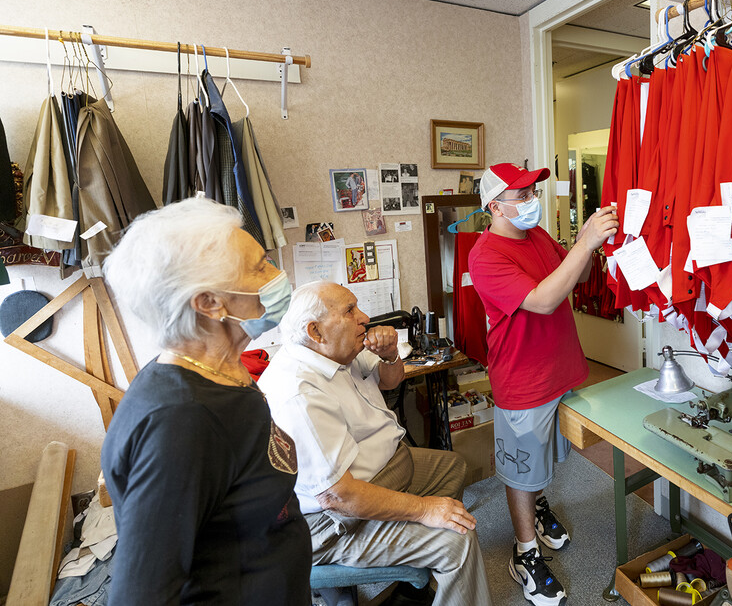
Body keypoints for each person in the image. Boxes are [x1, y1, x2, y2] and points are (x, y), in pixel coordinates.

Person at [100, 197, 310, 604]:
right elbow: (139, 594)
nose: (278, 276)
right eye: (260, 267)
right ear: (210, 303)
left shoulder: (223, 372)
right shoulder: (182, 419)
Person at [259, 281, 492, 606]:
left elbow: (390, 379)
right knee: (457, 540)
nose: (364, 317)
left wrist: (391, 354)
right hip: (333, 516)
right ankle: (429, 551)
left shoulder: (337, 350)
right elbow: (339, 496)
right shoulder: (298, 395)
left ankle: (413, 572)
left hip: (383, 468)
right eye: (350, 311)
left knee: (452, 467)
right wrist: (424, 510)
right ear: (316, 331)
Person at [468, 163, 619, 606]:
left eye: (533, 190)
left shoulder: (536, 236)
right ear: (494, 207)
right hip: (524, 380)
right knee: (520, 470)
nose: (532, 199)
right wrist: (587, 240)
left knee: (547, 456)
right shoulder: (485, 256)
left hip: (559, 368)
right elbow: (545, 298)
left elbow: (567, 275)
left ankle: (537, 507)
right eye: (522, 195)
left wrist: (597, 246)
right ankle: (525, 553)